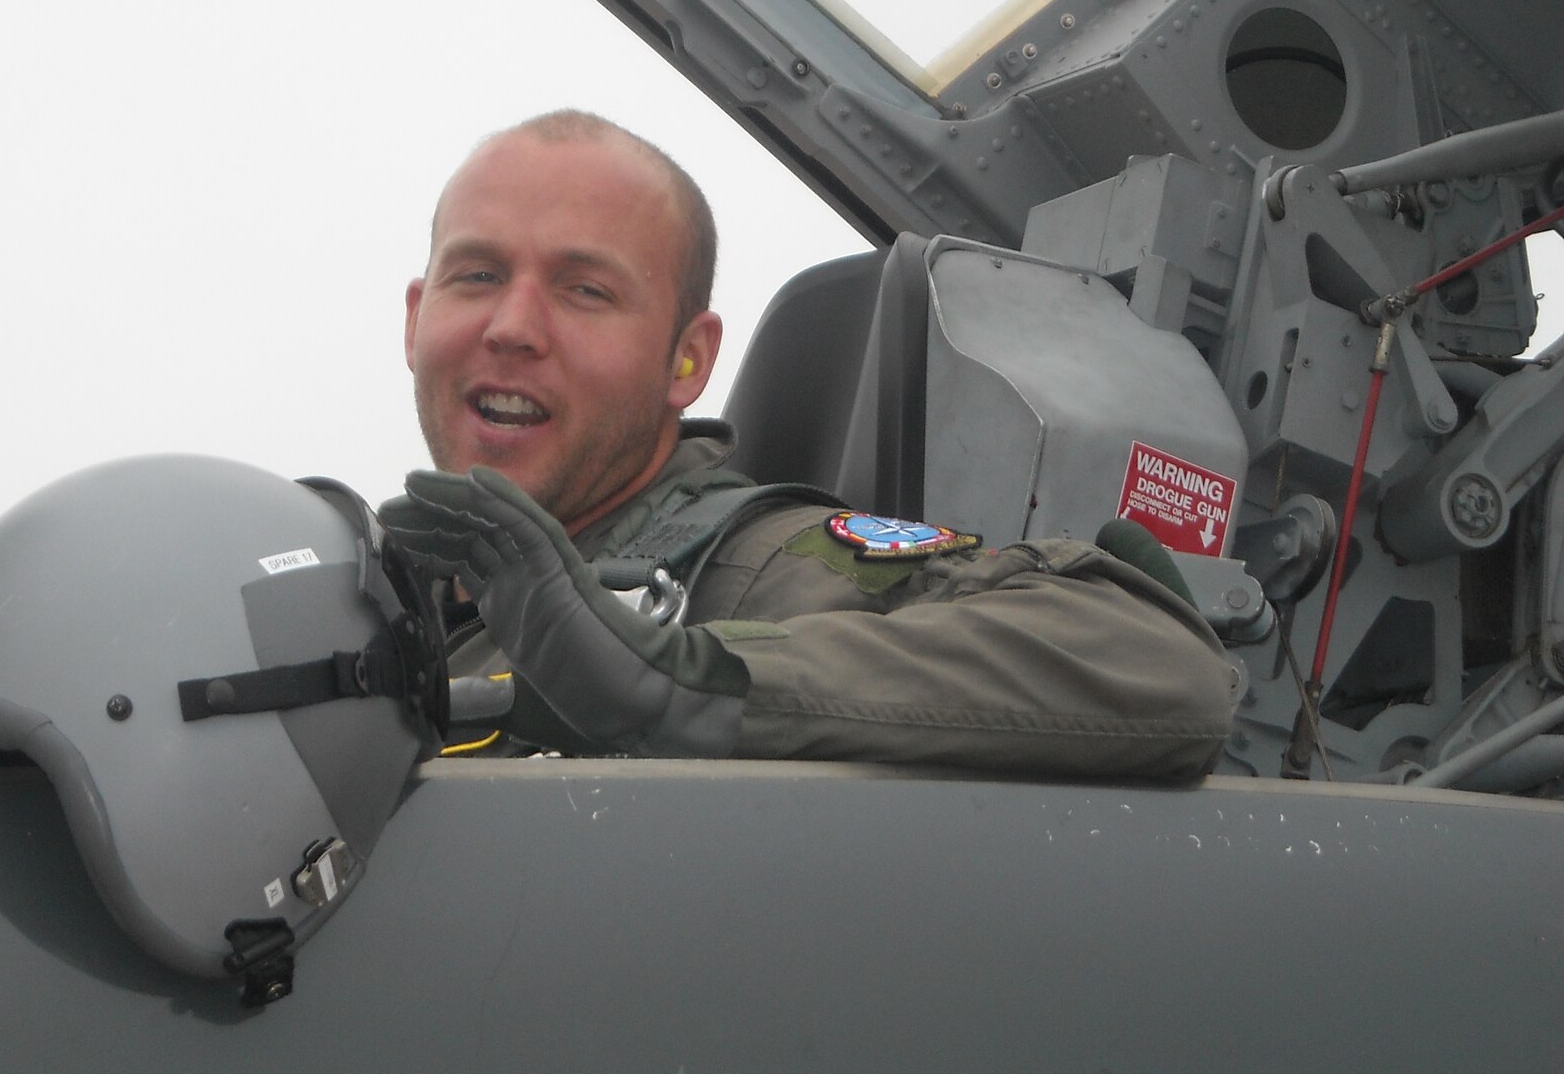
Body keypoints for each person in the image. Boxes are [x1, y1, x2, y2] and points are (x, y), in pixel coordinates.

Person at [380, 110, 1235, 779]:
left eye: (585, 290)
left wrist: (673, 680)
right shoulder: (366, 602)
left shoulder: (750, 572)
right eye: (479, 275)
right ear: (419, 319)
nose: (514, 326)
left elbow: (1159, 669)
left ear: (688, 360)